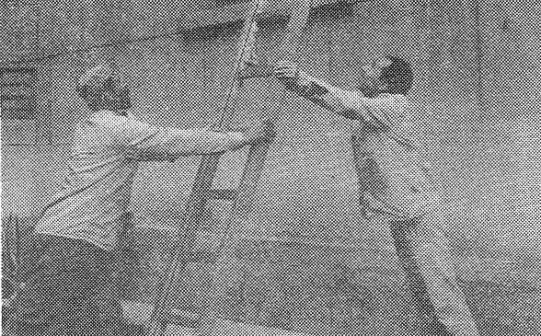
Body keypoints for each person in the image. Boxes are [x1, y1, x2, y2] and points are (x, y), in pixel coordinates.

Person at [10, 61, 274, 336]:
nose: (126, 86)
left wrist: (213, 134)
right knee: (38, 319)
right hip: (76, 241)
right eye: (118, 82)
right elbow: (169, 141)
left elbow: (161, 145)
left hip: (66, 235)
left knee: (97, 319)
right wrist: (243, 137)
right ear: (106, 94)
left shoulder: (99, 127)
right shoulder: (115, 128)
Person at [274, 56, 480, 336]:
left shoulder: (394, 106)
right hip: (404, 212)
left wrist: (299, 78)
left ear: (384, 83)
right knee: (422, 290)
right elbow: (346, 99)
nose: (362, 68)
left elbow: (344, 103)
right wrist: (300, 82)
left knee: (442, 294)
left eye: (372, 67)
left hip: (419, 215)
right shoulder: (373, 105)